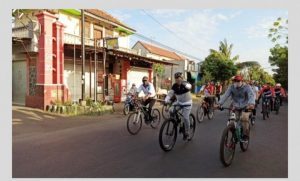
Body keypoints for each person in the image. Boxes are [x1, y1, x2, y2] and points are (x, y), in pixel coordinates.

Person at [216, 75, 255, 142]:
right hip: (235, 106)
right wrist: (219, 104)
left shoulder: (247, 87)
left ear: (242, 81)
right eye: (235, 81)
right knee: (232, 121)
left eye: (238, 81)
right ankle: (235, 134)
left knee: (244, 118)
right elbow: (225, 95)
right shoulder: (231, 87)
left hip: (246, 106)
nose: (236, 82)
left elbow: (251, 95)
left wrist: (251, 104)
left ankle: (245, 136)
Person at [165, 72, 193, 141]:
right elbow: (171, 93)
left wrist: (186, 84)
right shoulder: (174, 85)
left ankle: (187, 132)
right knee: (171, 110)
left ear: (182, 78)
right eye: (176, 78)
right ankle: (177, 121)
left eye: (179, 78)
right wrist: (167, 99)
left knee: (185, 117)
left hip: (187, 103)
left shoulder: (185, 83)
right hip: (179, 102)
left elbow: (190, 86)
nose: (177, 79)